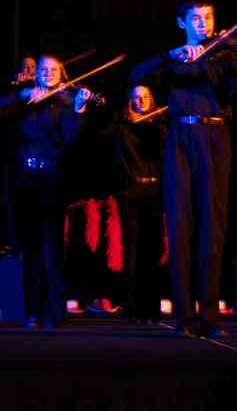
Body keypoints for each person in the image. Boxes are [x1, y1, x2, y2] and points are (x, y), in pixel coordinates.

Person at [130, 0, 237, 338]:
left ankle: (210, 317)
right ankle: (184, 318)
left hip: (214, 136)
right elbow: (137, 74)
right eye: (196, 18)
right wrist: (173, 54)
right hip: (178, 138)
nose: (204, 23)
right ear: (182, 22)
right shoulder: (175, 59)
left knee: (212, 228)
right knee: (180, 225)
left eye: (209, 17)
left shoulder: (225, 56)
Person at [0, 55, 94, 329]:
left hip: (52, 178)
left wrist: (79, 111)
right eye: (43, 70)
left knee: (52, 248)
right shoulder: (24, 99)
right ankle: (33, 310)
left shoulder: (65, 102)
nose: (48, 73)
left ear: (62, 74)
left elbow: (68, 140)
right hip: (24, 179)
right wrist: (22, 94)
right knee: (30, 248)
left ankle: (55, 313)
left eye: (53, 70)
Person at [102, 85, 168, 324]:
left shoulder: (159, 125)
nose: (141, 101)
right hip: (130, 191)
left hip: (155, 190)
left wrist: (156, 123)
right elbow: (103, 135)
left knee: (153, 249)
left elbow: (164, 143)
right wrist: (123, 119)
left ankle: (151, 307)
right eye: (136, 98)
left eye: (146, 97)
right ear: (130, 101)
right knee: (132, 249)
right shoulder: (121, 126)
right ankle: (131, 306)